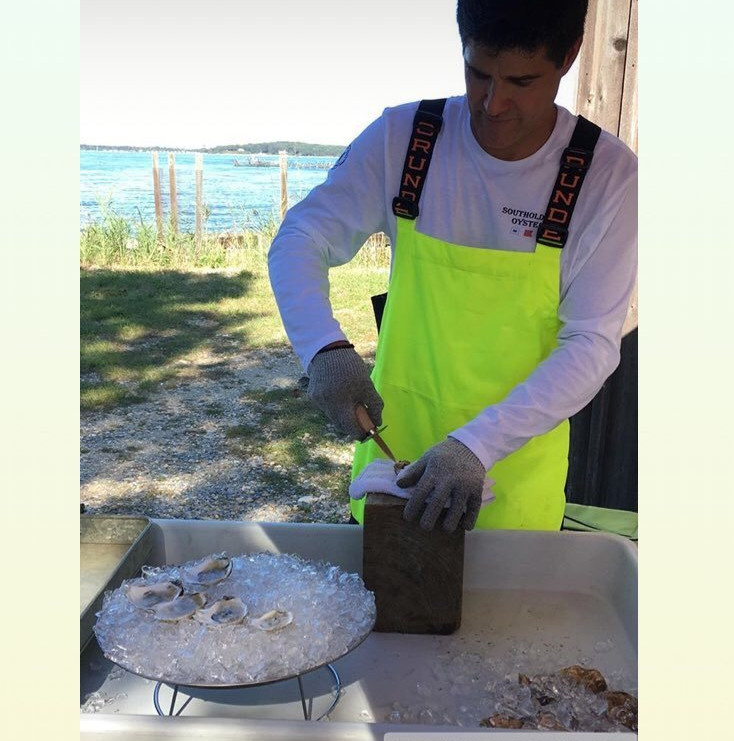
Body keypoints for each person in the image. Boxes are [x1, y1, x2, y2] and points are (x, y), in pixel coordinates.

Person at [268, 0, 637, 534]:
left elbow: (592, 343)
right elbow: (301, 237)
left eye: (522, 81)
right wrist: (323, 349)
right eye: (478, 73)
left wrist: (475, 446)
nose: (493, 104)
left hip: (514, 485)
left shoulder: (605, 175)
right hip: (392, 469)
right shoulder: (407, 138)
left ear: (569, 56)